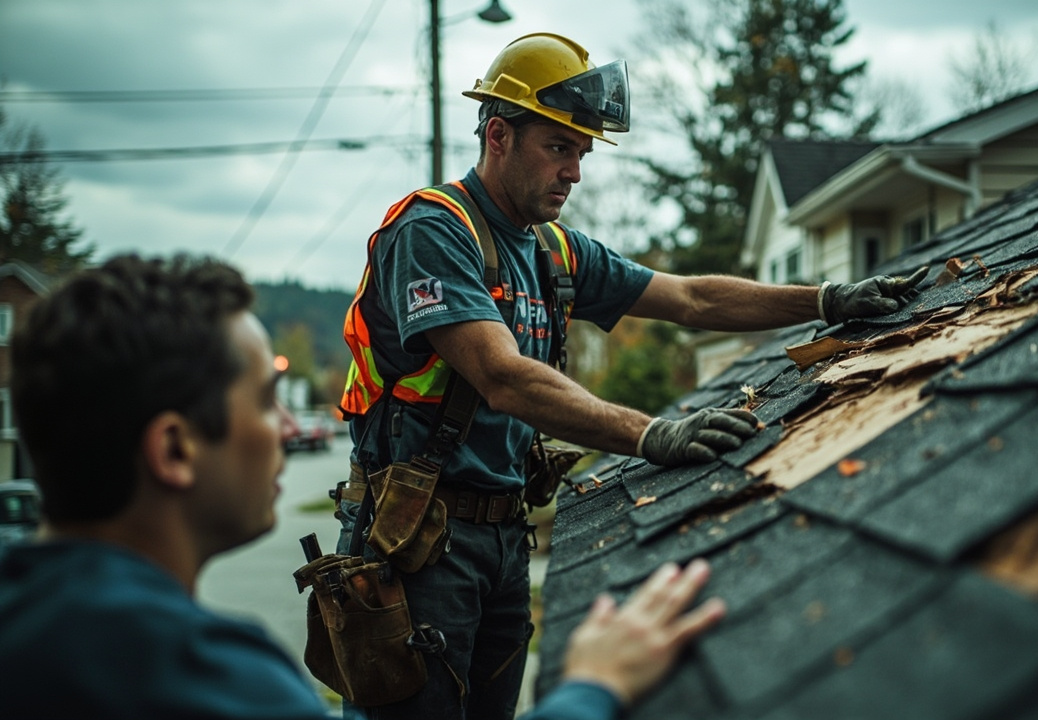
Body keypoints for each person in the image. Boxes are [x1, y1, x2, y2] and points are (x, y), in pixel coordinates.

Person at [334, 32, 927, 720]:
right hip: (416, 545)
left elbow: (691, 299)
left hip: (503, 538)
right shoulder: (436, 230)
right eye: (559, 147)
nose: (575, 172)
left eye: (582, 153)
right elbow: (504, 377)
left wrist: (824, 300)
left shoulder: (553, 250)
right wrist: (653, 434)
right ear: (498, 136)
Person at [0, 254, 724, 720]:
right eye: (265, 402)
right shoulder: (212, 683)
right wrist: (592, 687)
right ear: (174, 450)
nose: (291, 427)